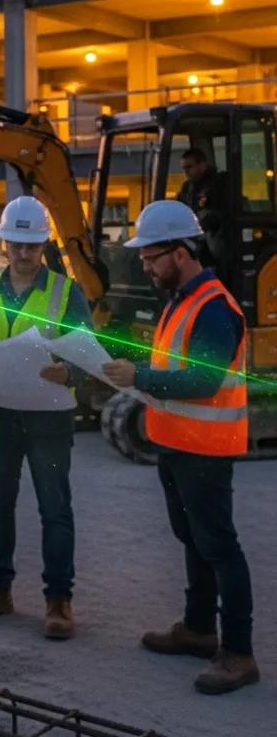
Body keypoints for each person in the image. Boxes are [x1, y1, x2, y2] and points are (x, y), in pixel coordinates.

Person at [103, 200, 258, 696]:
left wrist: (140, 376)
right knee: (194, 540)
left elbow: (204, 380)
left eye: (151, 257)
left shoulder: (213, 306)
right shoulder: (180, 299)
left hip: (206, 451)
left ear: (181, 252)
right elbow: (172, 366)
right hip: (175, 443)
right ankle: (197, 629)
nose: (145, 266)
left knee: (218, 546)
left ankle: (238, 654)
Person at [0, 195, 92, 640]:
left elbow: (89, 353)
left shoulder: (65, 292)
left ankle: (59, 600)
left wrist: (71, 372)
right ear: (4, 242)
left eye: (32, 246)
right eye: (16, 245)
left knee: (55, 510)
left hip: (47, 419)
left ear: (44, 243)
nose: (24, 254)